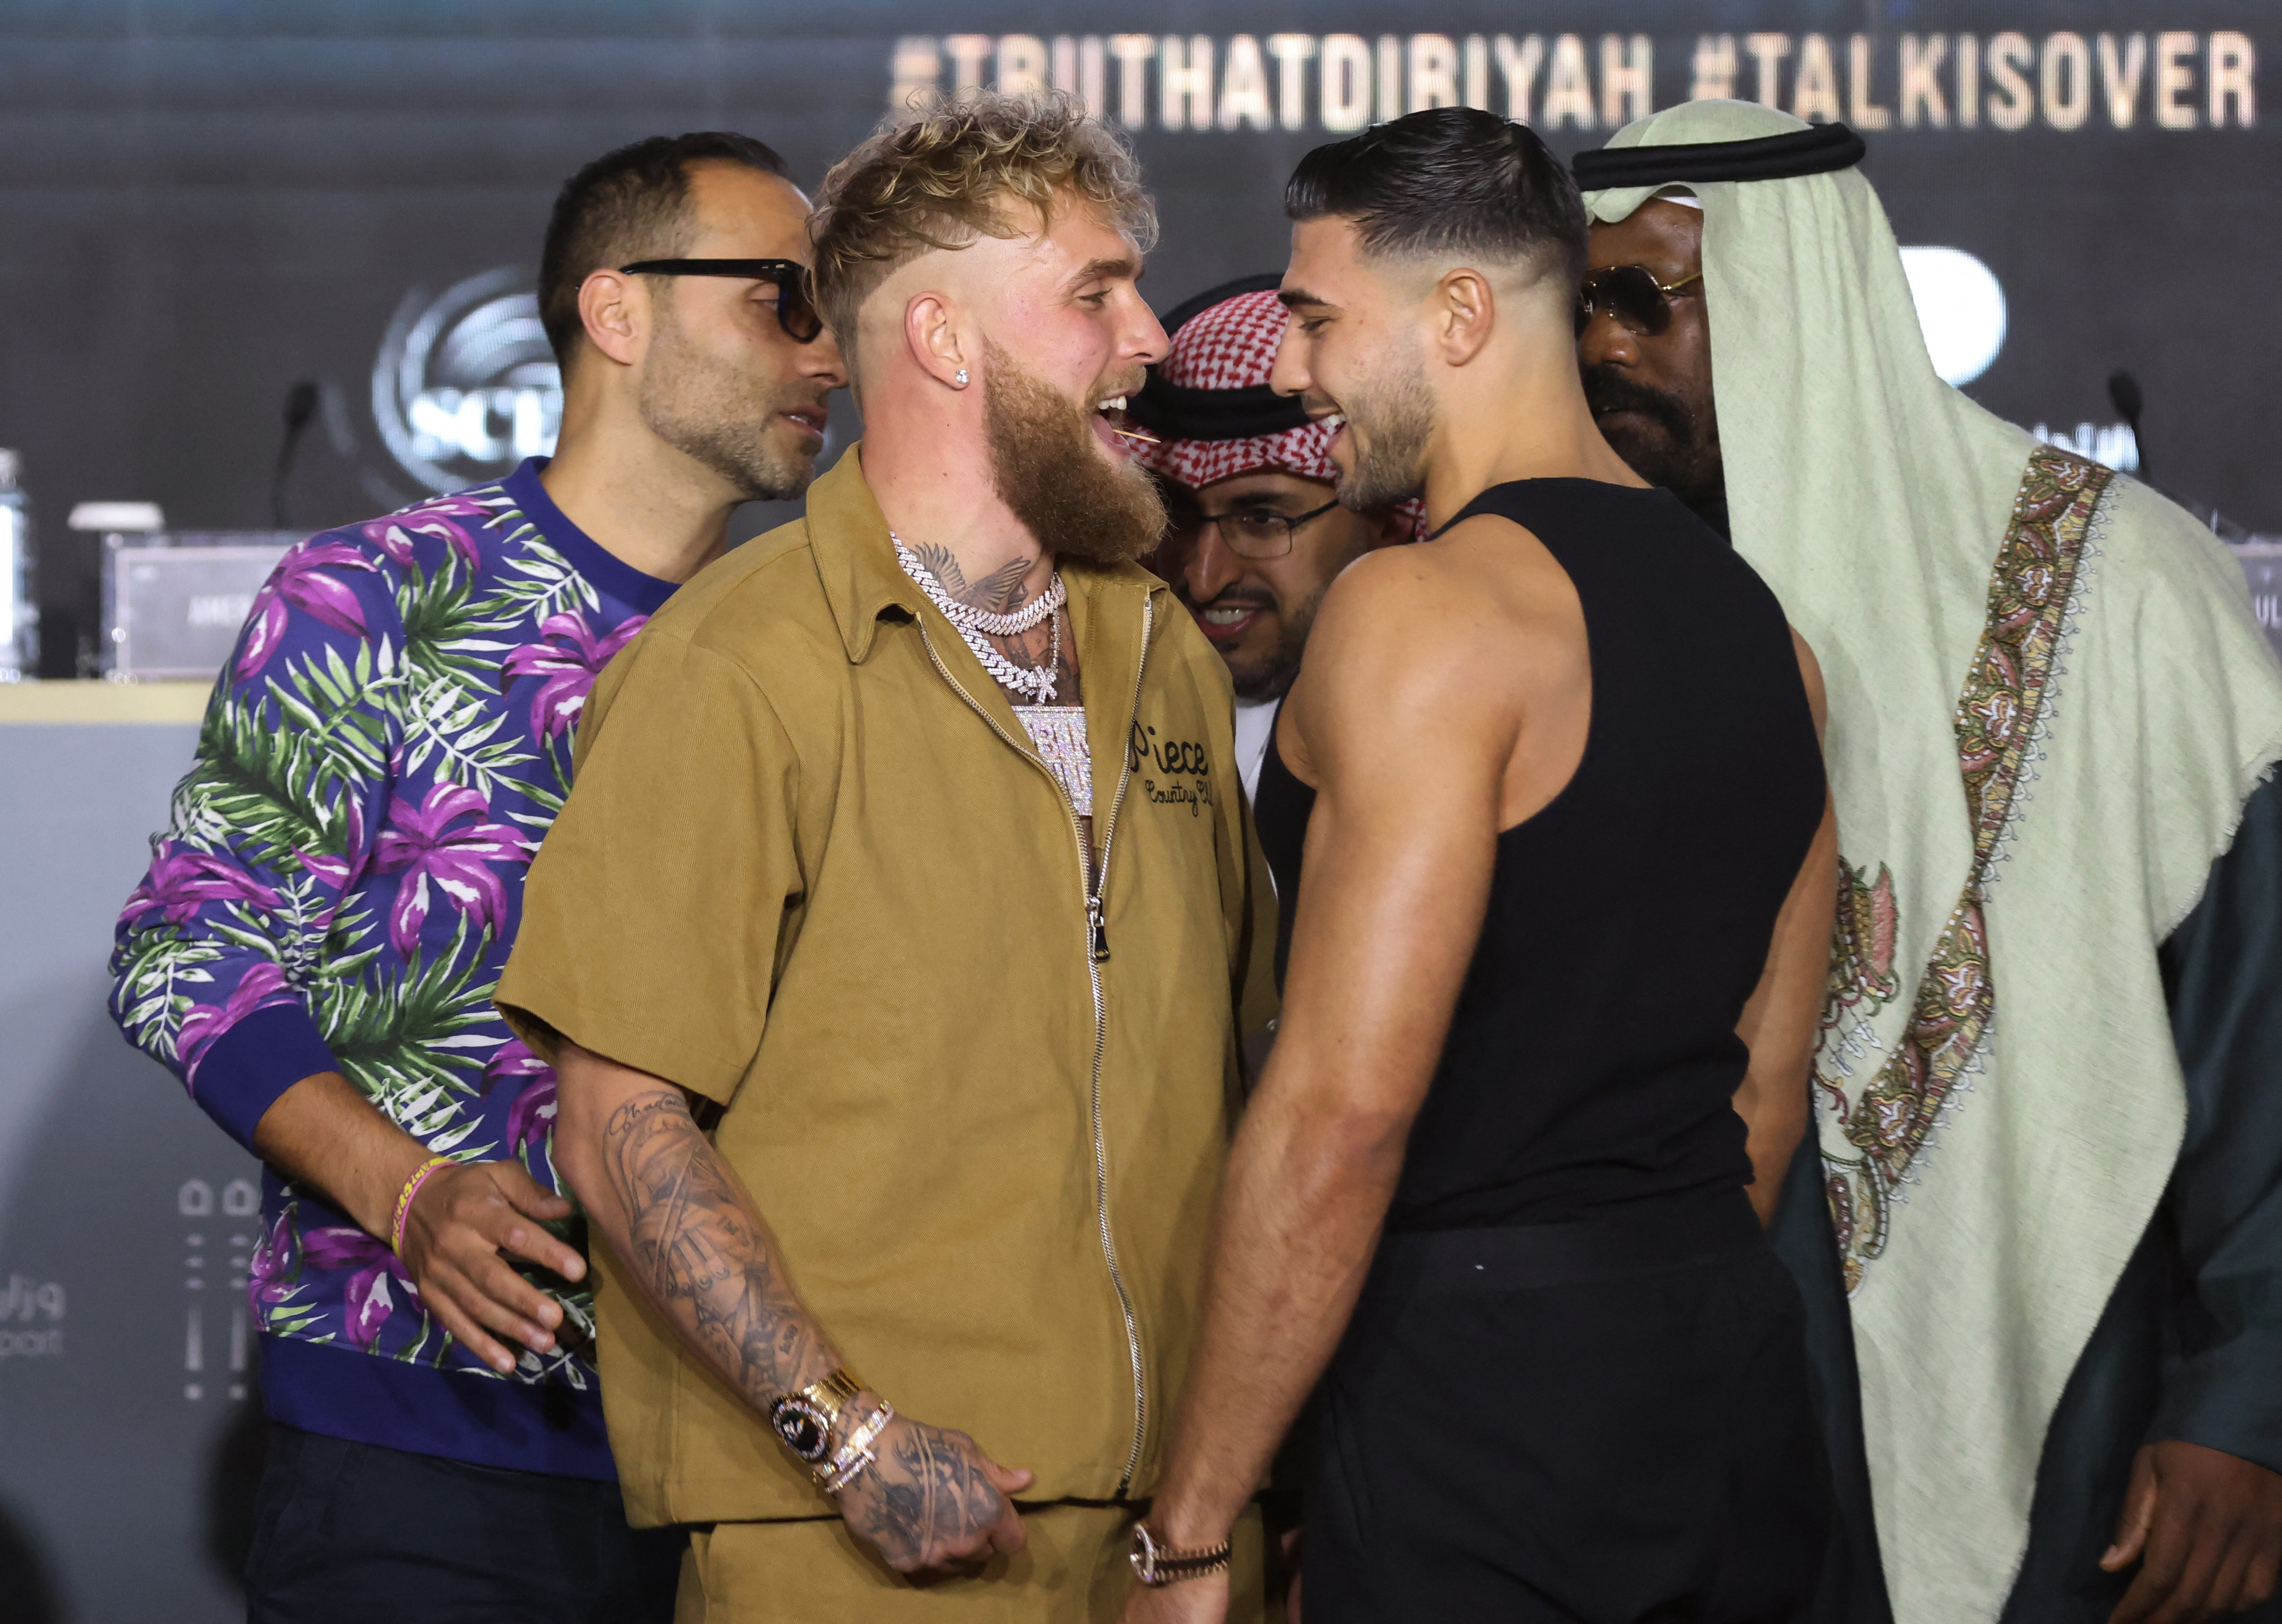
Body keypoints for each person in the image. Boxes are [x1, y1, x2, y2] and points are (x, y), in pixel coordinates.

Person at [492, 91, 1279, 1624]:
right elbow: (618, 1123)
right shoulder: (737, 663)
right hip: (866, 1540)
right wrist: (848, 1443)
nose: (1145, 345)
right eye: (1092, 294)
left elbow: (1240, 1071)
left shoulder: (1163, 650)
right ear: (940, 337)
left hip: (1177, 1543)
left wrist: (1249, 1484)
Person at [107, 131, 845, 1621]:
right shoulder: (378, 596)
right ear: (618, 312)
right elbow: (188, 942)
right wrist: (416, 1189)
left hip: (772, 1465)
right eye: (782, 296)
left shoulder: (825, 643)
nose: (829, 352)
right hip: (426, 1458)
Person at [1119, 106, 1839, 1624]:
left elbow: (1339, 1116)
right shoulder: (1764, 636)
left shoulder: (1415, 613)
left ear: (1456, 315)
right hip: (1720, 1388)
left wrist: (1191, 1530)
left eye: (1315, 320)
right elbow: (1764, 1094)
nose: (1296, 370)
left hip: (1477, 1399)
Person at [1574, 101, 2282, 1624]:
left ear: (1796, 297)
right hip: (1689, 1414)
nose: (1601, 352)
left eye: (1647, 301)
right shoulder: (1576, 608)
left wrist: (2243, 1401)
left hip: (2085, 1392)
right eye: (1578, 307)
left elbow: (2259, 1030)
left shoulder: (2122, 589)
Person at [1130, 276, 1413, 801]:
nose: (1205, 577)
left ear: (1386, 523)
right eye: (1179, 514)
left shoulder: (1433, 726)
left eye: (1262, 519)